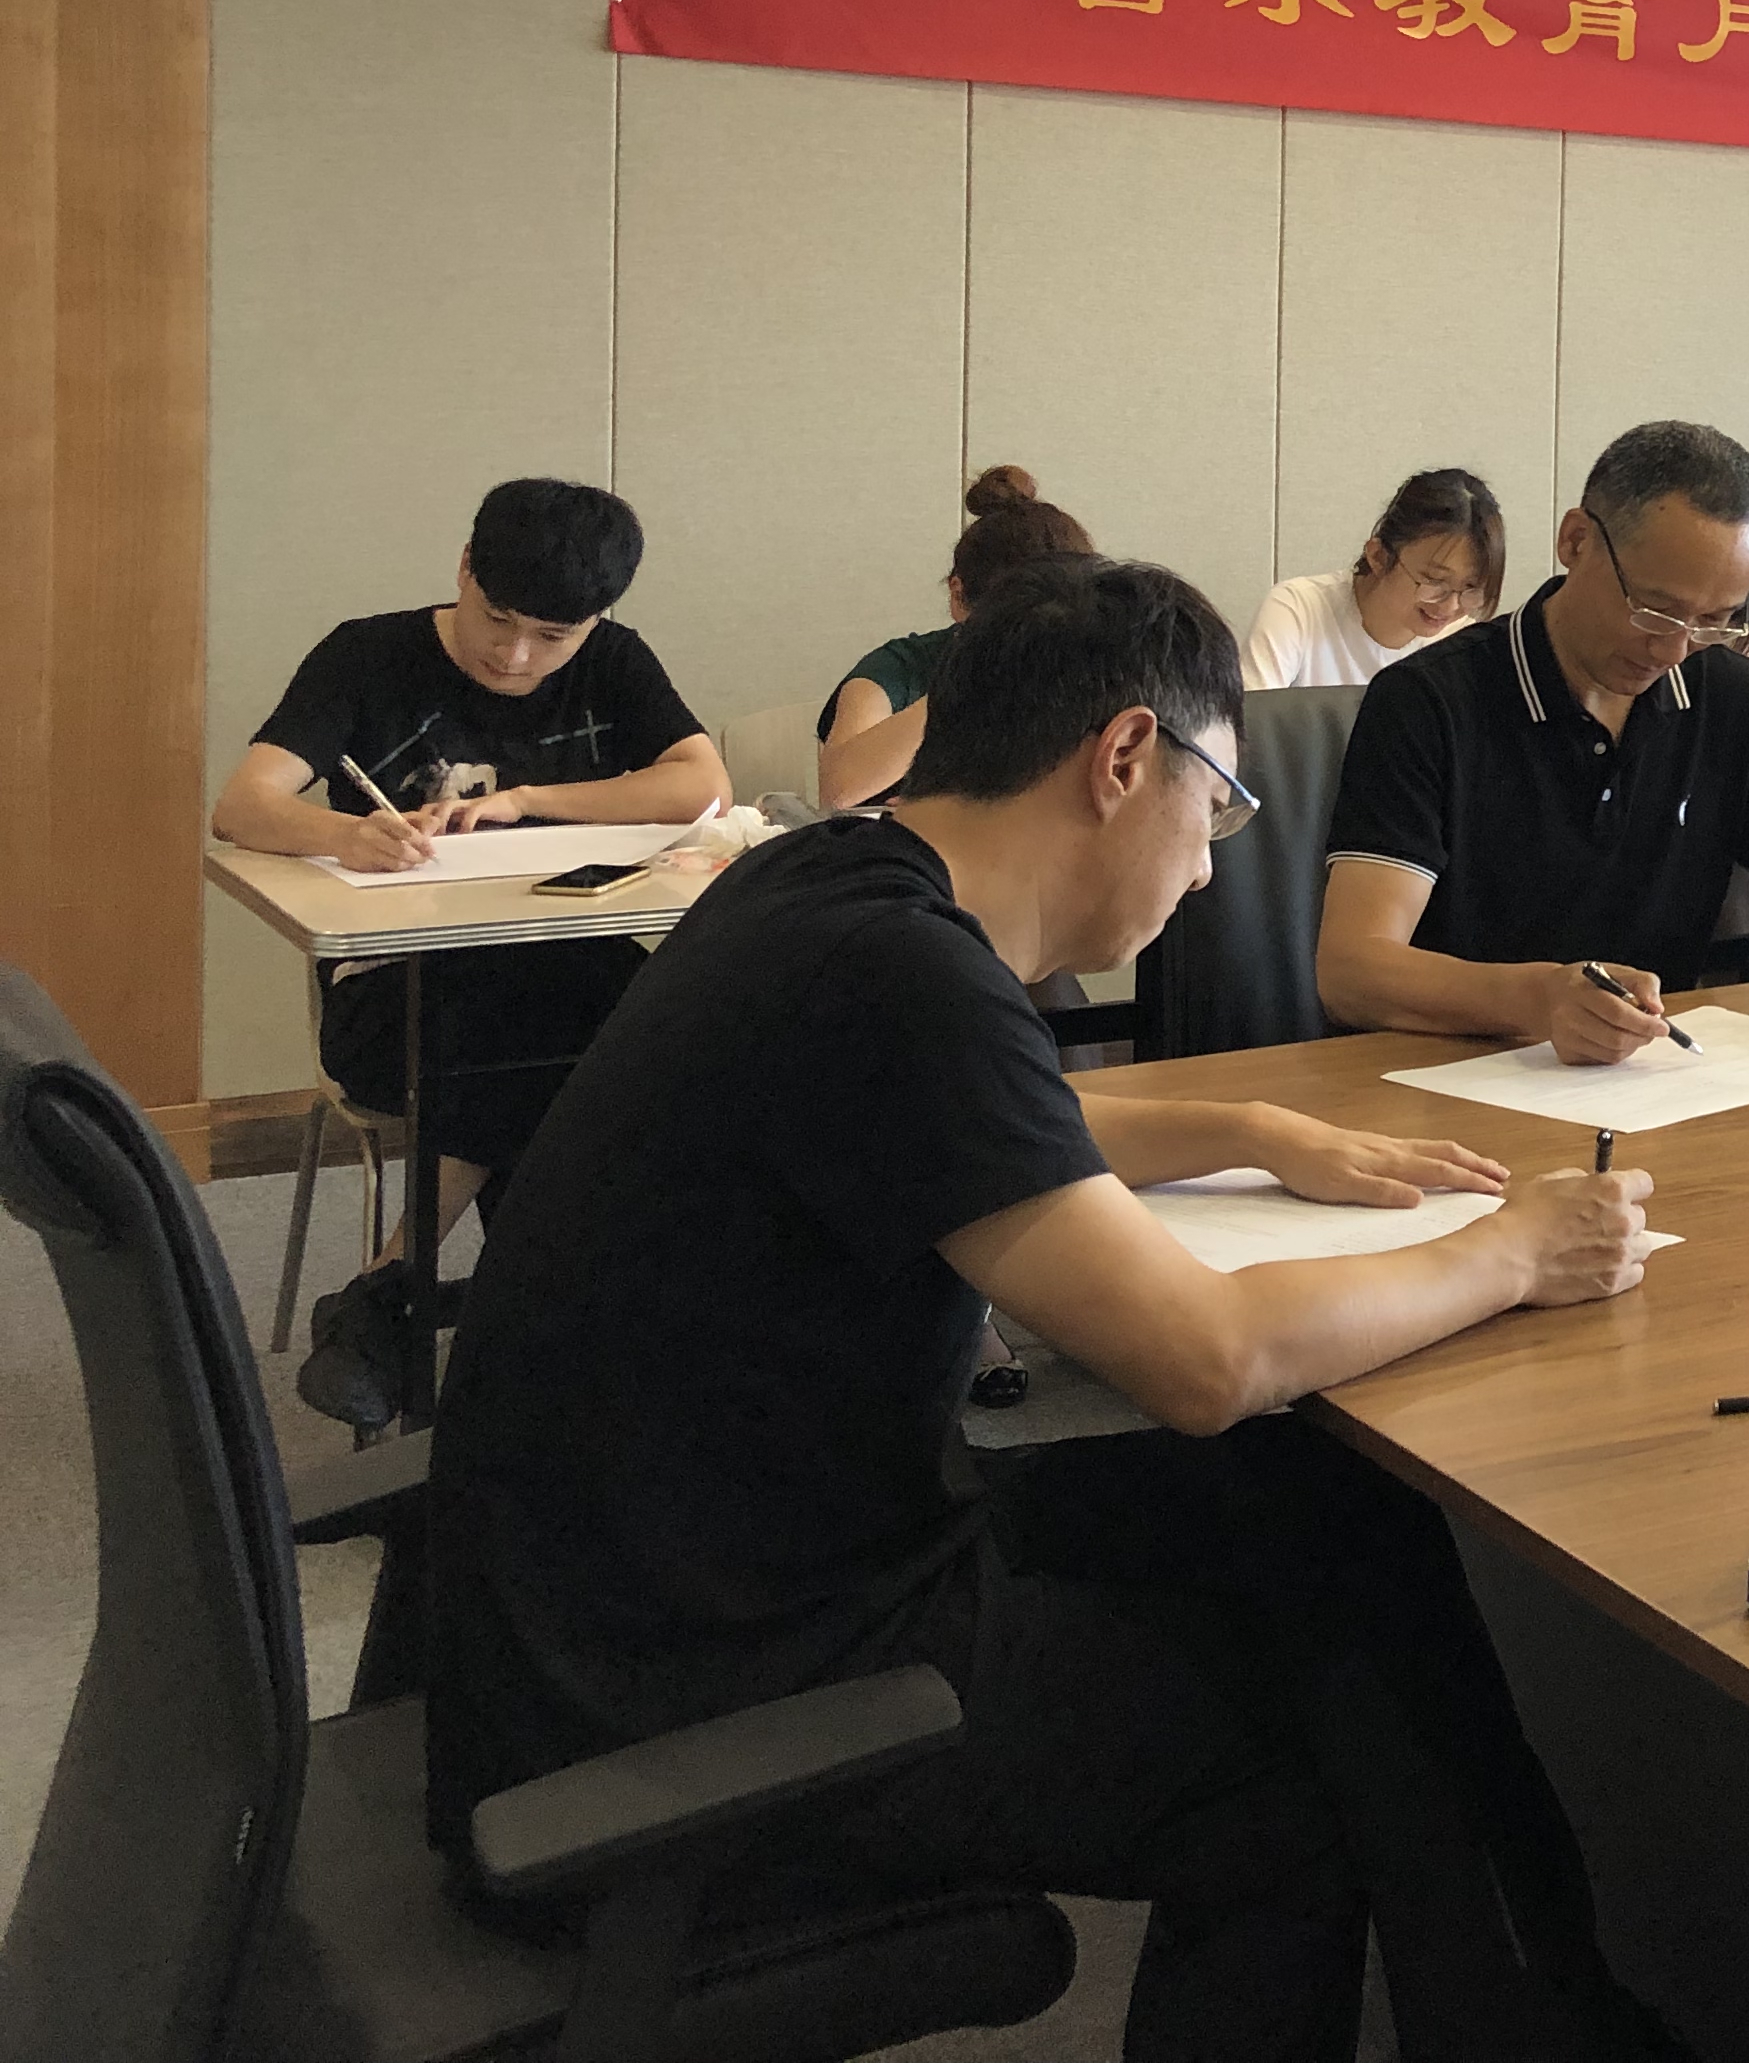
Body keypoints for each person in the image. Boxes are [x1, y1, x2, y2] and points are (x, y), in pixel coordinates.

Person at [425, 556, 1665, 2055]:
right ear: (1125, 757)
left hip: (647, 1581)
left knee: (1324, 1515)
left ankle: (1535, 2010)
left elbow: (978, 1117)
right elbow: (1210, 1358)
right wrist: (1517, 1251)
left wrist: (1251, 1132)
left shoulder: (834, 881)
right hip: (692, 1693)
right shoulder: (907, 976)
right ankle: (1533, 2009)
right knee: (1283, 1782)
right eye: (1219, 812)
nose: (1208, 871)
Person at [210, 476, 728, 1431]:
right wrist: (344, 834)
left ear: (593, 622)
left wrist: (527, 800)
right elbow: (243, 805)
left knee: (632, 1028)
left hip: (567, 987)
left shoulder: (613, 660)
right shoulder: (366, 655)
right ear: (463, 570)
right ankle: (534, 1340)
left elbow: (700, 785)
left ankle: (390, 1302)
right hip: (398, 998)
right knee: (569, 1053)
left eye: (553, 637)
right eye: (499, 619)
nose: (516, 655)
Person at [1319, 421, 1749, 1057]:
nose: (1674, 649)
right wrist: (1539, 1000)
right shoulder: (1428, 701)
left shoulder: (1730, 698)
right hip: (1451, 1073)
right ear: (1576, 541)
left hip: (1660, 1073)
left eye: (1713, 622)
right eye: (1655, 610)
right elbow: (1352, 970)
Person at [816, 464, 1095, 811]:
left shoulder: (1100, 671)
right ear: (957, 595)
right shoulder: (900, 670)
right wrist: (975, 676)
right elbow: (839, 791)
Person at [1241, 466, 1506, 689]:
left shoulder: (1461, 644)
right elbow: (1248, 726)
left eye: (1471, 587)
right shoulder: (1298, 610)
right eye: (1434, 581)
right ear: (1378, 556)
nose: (1449, 606)